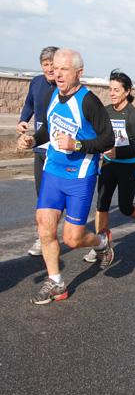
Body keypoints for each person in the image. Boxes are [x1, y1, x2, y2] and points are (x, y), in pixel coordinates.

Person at [17, 48, 115, 304]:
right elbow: (48, 129)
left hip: (80, 177)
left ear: (78, 73)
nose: (56, 73)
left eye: (63, 69)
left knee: (73, 238)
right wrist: (32, 140)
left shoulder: (88, 101)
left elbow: (108, 139)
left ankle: (102, 242)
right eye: (54, 68)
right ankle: (56, 282)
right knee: (45, 228)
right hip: (52, 171)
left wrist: (78, 145)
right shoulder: (52, 94)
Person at [83, 70, 135, 263]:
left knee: (125, 207)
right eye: (110, 89)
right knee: (102, 204)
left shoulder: (132, 114)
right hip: (108, 164)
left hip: (128, 166)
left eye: (117, 90)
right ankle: (100, 244)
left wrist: (119, 152)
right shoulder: (105, 111)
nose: (112, 93)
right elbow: (97, 134)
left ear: (127, 91)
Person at [16, 46, 58, 256]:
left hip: (59, 150)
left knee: (54, 197)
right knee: (41, 195)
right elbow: (29, 104)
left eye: (53, 64)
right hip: (40, 147)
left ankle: (49, 234)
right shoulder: (36, 82)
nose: (50, 69)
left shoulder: (64, 87)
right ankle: (44, 235)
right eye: (46, 64)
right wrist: (23, 120)